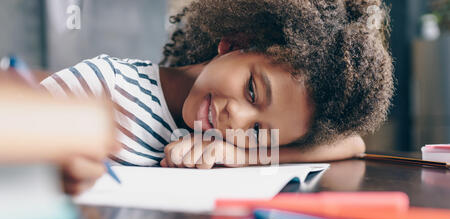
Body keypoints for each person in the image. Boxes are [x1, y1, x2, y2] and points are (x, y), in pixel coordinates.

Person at [41, 0, 393, 194]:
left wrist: (239, 155)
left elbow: (352, 144)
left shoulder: (229, 144)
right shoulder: (106, 88)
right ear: (235, 42)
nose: (236, 121)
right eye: (252, 90)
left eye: (258, 131)